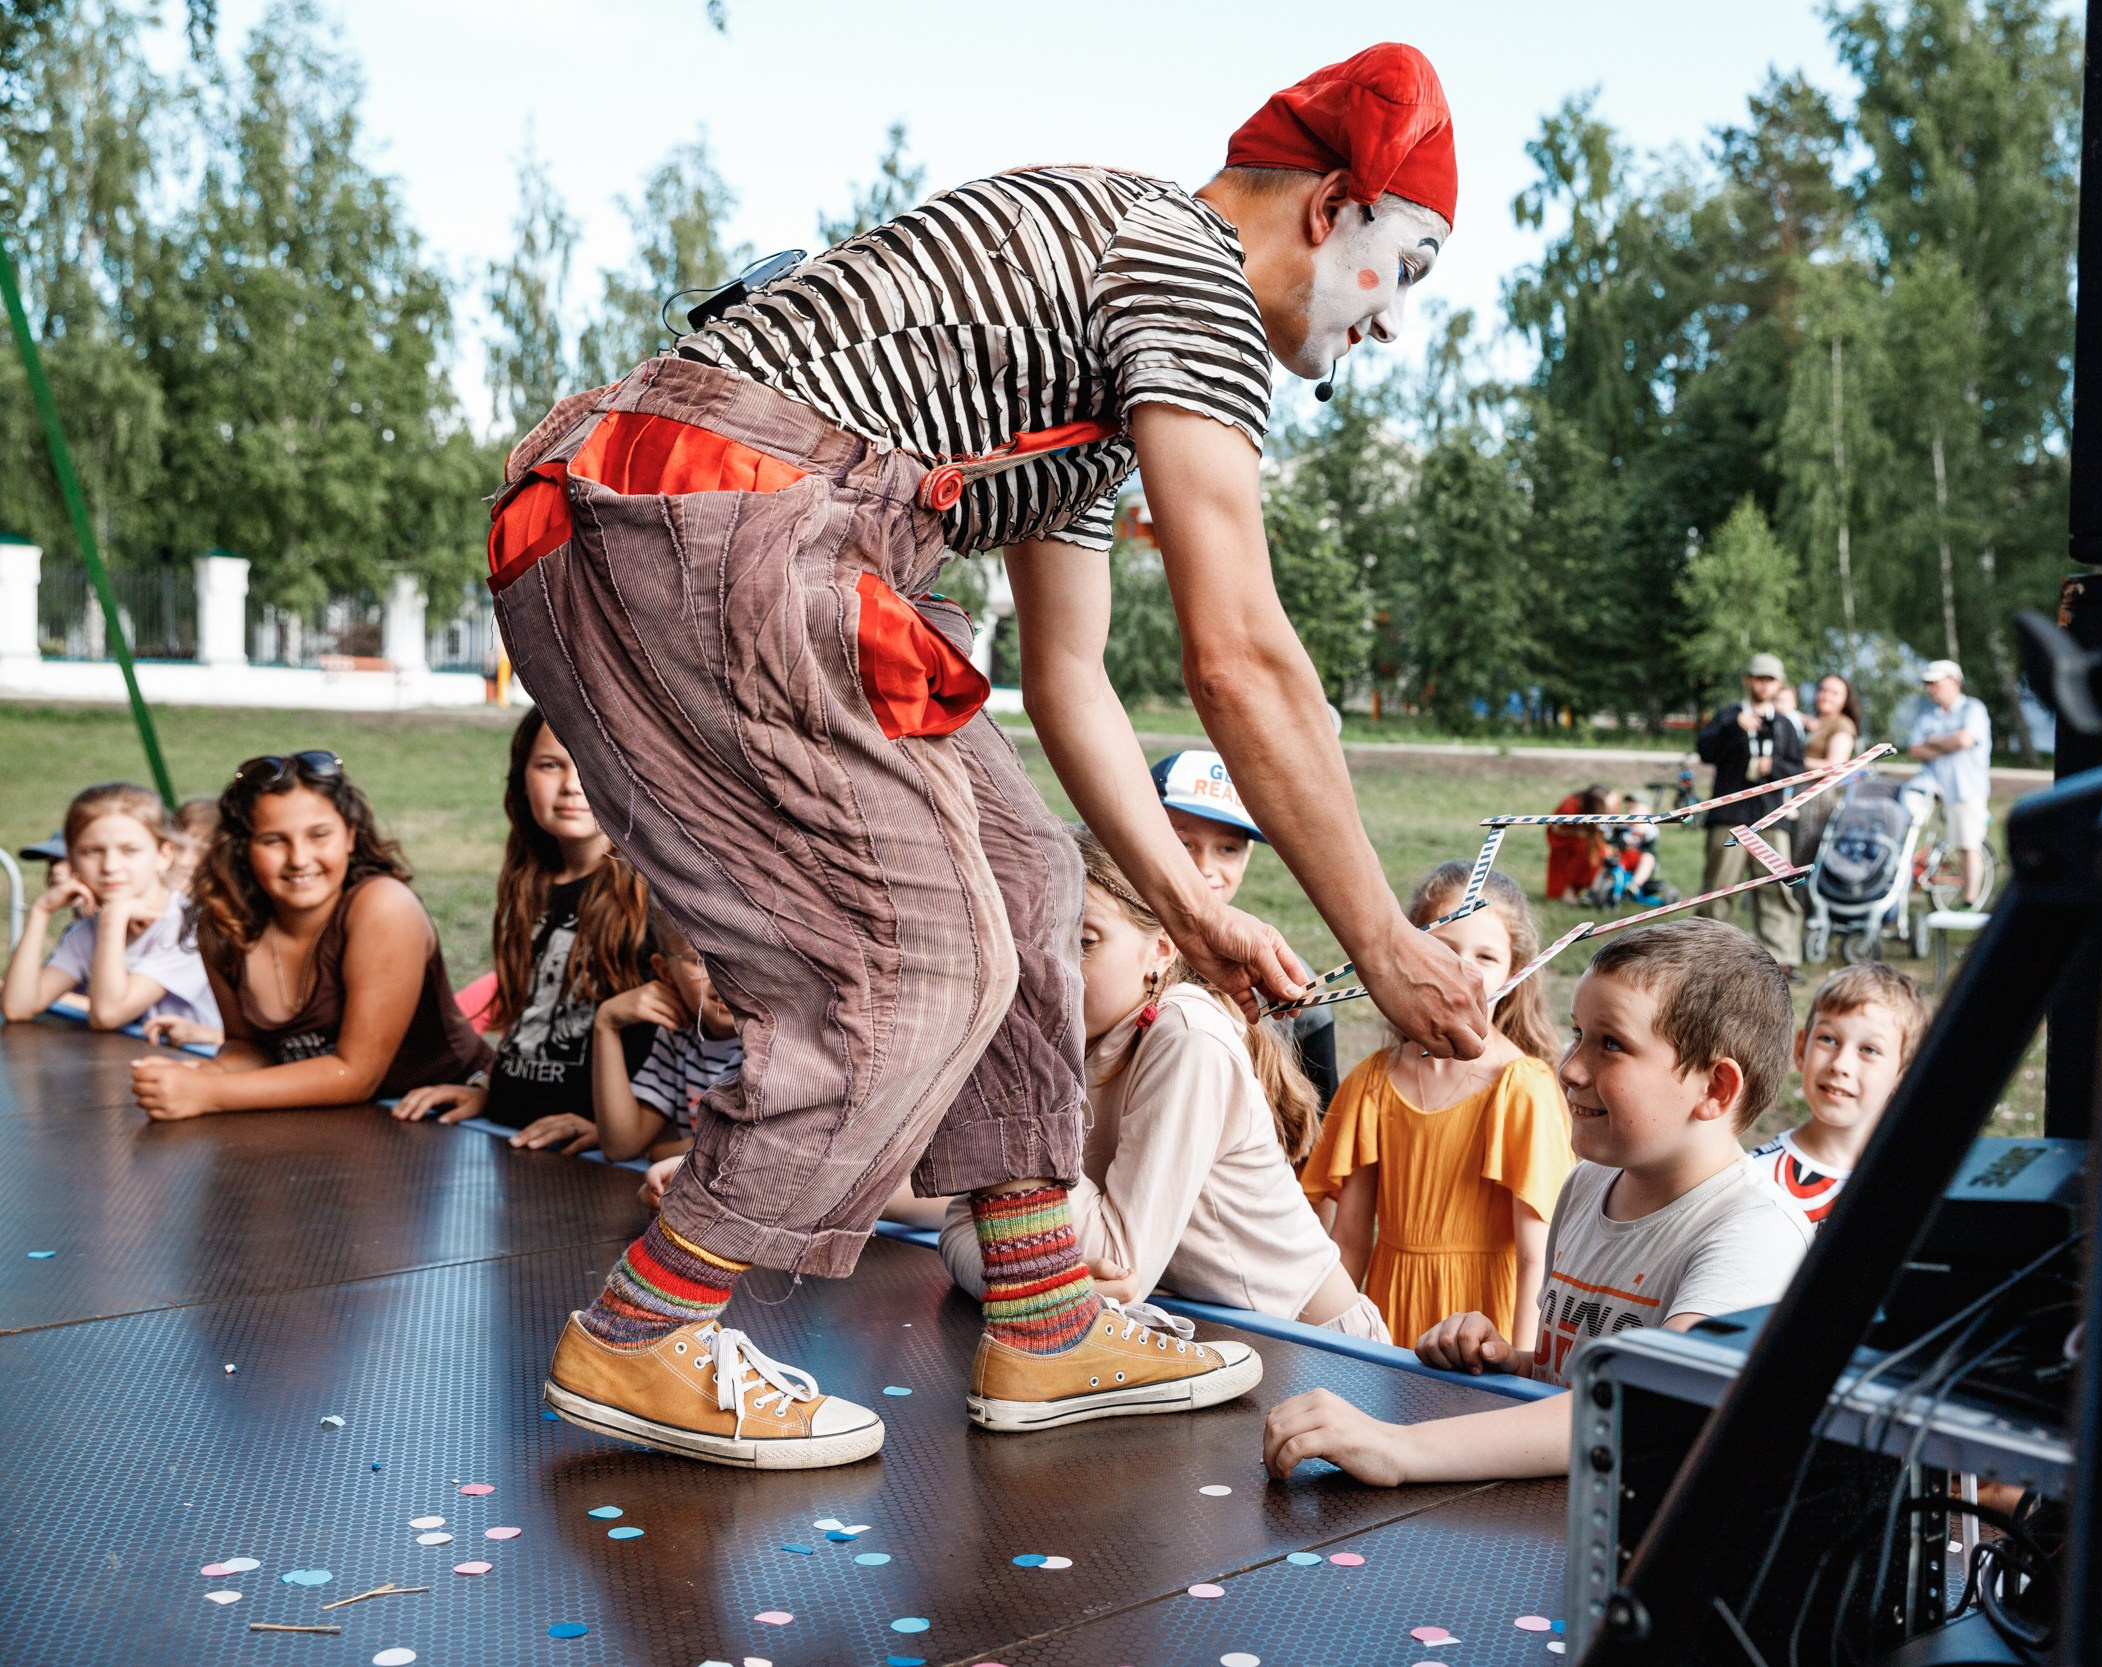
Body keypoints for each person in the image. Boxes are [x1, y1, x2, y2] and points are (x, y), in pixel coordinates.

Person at [493, 43, 1487, 1468]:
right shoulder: (1195, 271)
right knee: (921, 953)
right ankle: (651, 1322)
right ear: (1332, 209)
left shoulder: (1093, 344)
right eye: (1412, 270)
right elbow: (1245, 662)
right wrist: (1379, 937)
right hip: (726, 516)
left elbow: (1069, 682)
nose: (1395, 327)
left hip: (699, 520)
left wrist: (1190, 910)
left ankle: (1044, 1308)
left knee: (1021, 877)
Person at [1260, 920, 1813, 1485]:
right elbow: (1571, 1381)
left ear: (1715, 1088)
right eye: (1577, 1034)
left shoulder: (1754, 1235)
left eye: (1611, 1045)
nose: (1570, 1068)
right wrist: (1508, 1364)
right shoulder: (1588, 1185)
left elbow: (1645, 1401)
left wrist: (1398, 1448)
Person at [936, 829, 1381, 1344]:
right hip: (1201, 1336)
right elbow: (963, 1228)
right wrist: (1030, 1276)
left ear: (1162, 949)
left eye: (1083, 943)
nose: (1050, 970)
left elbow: (1122, 1264)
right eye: (1034, 941)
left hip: (1310, 1346)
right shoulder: (1070, 1040)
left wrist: (1028, 1094)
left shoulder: (1186, 1036)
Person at [127, 752, 492, 1119]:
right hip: (343, 1125)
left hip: (457, 1121)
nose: (299, 859)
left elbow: (356, 1074)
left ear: (350, 835)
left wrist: (210, 1093)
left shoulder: (383, 907)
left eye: (319, 835)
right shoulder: (224, 924)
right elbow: (250, 1049)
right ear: (243, 847)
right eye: (273, 840)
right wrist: (204, 1074)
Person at [1300, 863, 1573, 1350]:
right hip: (1394, 1320)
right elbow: (1349, 1241)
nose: (1463, 972)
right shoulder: (1372, 1083)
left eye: (1486, 957)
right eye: (1443, 951)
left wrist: (1526, 1368)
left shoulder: (1521, 1088)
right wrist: (1326, 1349)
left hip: (1490, 1331)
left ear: (1516, 972)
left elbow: (1539, 1257)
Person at [393, 711, 653, 1154]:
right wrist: (489, 1090)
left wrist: (624, 1130)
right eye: (551, 765)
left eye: (592, 762)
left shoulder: (654, 898)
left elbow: (683, 1046)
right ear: (521, 777)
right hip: (509, 1133)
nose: (572, 784)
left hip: (589, 1155)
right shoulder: (528, 883)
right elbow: (532, 1013)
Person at [1150, 747, 1338, 1107]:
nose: (1204, 867)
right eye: (1182, 843)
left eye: (1227, 849)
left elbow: (1318, 1120)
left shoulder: (1284, 979)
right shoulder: (1102, 951)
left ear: (1247, 856)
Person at [3, 783, 217, 1035]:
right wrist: (41, 912)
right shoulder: (87, 930)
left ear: (163, 856)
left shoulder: (189, 926)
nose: (110, 866)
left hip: (198, 1061)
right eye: (92, 851)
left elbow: (107, 1015)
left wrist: (113, 919)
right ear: (72, 860)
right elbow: (18, 1007)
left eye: (130, 850)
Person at [1750, 963, 1928, 1224]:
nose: (1840, 1065)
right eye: (1828, 1039)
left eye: (1869, 1050)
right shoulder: (1756, 1179)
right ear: (1801, 1050)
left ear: (1903, 1074)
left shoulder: (1911, 1182)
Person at [591, 902, 742, 1165]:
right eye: (699, 960)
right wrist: (606, 1025)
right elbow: (620, 1145)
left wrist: (661, 1151)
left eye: (742, 955)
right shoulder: (679, 1036)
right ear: (666, 972)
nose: (725, 976)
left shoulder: (772, 1044)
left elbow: (740, 1153)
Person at [1694, 653, 1806, 972]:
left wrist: (1774, 766)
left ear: (1779, 684)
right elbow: (1705, 750)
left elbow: (1797, 769)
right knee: (1719, 886)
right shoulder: (1728, 716)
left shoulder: (1785, 725)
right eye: (1758, 678)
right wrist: (1732, 728)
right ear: (1747, 681)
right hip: (1729, 816)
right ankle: (1706, 953)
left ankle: (1782, 957)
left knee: (1777, 887)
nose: (1763, 684)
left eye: (1770, 679)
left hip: (1771, 818)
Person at [1902, 659, 1993, 907]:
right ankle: (1905, 878)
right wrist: (1947, 744)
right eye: (1928, 684)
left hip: (1965, 787)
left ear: (1953, 681)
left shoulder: (1973, 709)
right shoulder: (1927, 714)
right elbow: (1915, 750)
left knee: (1968, 843)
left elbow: (1965, 740)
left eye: (1935, 683)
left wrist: (1933, 742)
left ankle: (1969, 900)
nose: (1930, 688)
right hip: (1931, 784)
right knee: (1906, 820)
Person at [1792, 673, 1864, 867]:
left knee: (1801, 858)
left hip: (1816, 798)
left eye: (1834, 693)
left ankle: (1801, 898)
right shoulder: (1813, 721)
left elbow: (1834, 766)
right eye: (1823, 690)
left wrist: (1793, 761)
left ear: (1844, 699)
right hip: (1795, 794)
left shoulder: (1842, 724)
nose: (1826, 696)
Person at [1544, 785, 1612, 902]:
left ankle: (1591, 889)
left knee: (1602, 853)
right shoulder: (1571, 805)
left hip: (1587, 841)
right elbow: (1556, 829)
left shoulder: (1603, 803)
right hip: (1565, 843)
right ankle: (1569, 889)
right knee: (1582, 854)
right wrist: (1577, 832)